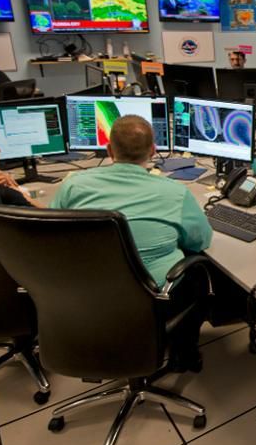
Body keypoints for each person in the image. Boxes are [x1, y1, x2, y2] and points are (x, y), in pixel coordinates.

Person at [50, 115, 213, 371]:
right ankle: (184, 355)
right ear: (153, 150)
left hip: (86, 293)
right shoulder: (175, 192)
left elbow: (50, 232)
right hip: (153, 298)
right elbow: (200, 240)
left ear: (109, 150)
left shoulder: (72, 185)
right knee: (201, 272)